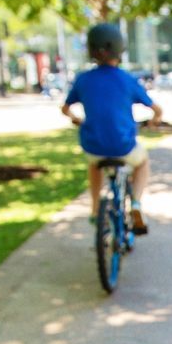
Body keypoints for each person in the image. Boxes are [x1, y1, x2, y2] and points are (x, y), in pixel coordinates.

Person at [61, 23, 163, 234]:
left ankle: (95, 208)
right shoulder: (127, 79)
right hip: (123, 146)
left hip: (93, 146)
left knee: (94, 165)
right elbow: (156, 109)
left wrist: (76, 119)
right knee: (142, 162)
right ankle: (135, 203)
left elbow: (65, 108)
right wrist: (154, 120)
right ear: (120, 49)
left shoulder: (83, 79)